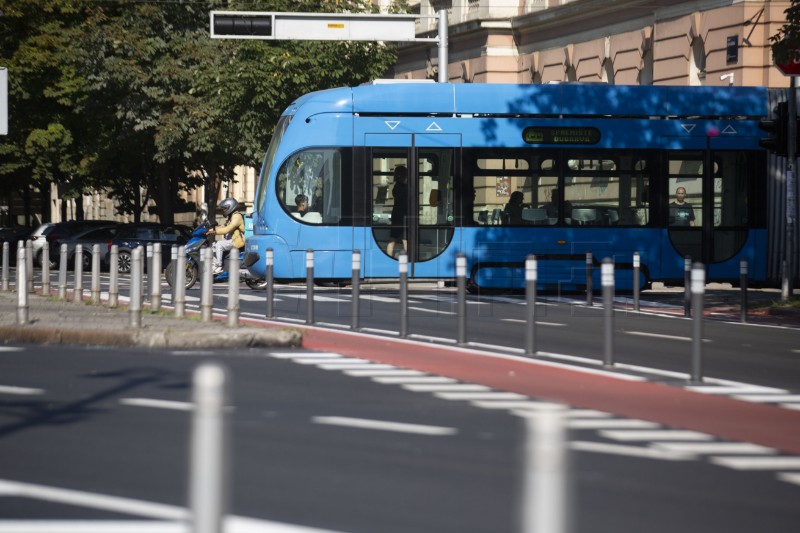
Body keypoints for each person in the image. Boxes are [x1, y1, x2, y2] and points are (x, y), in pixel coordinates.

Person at [207, 197, 245, 275]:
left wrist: (215, 232)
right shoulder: (231, 216)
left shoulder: (237, 216)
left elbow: (228, 229)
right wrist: (211, 230)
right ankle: (215, 265)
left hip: (237, 241)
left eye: (225, 208)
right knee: (213, 245)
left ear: (230, 207)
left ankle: (219, 265)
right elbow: (224, 226)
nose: (223, 210)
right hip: (232, 240)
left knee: (219, 244)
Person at [386, 165, 408, 257]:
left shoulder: (396, 186)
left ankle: (389, 257)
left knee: (393, 238)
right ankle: (408, 257)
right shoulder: (404, 187)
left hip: (396, 214)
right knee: (405, 238)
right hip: (403, 214)